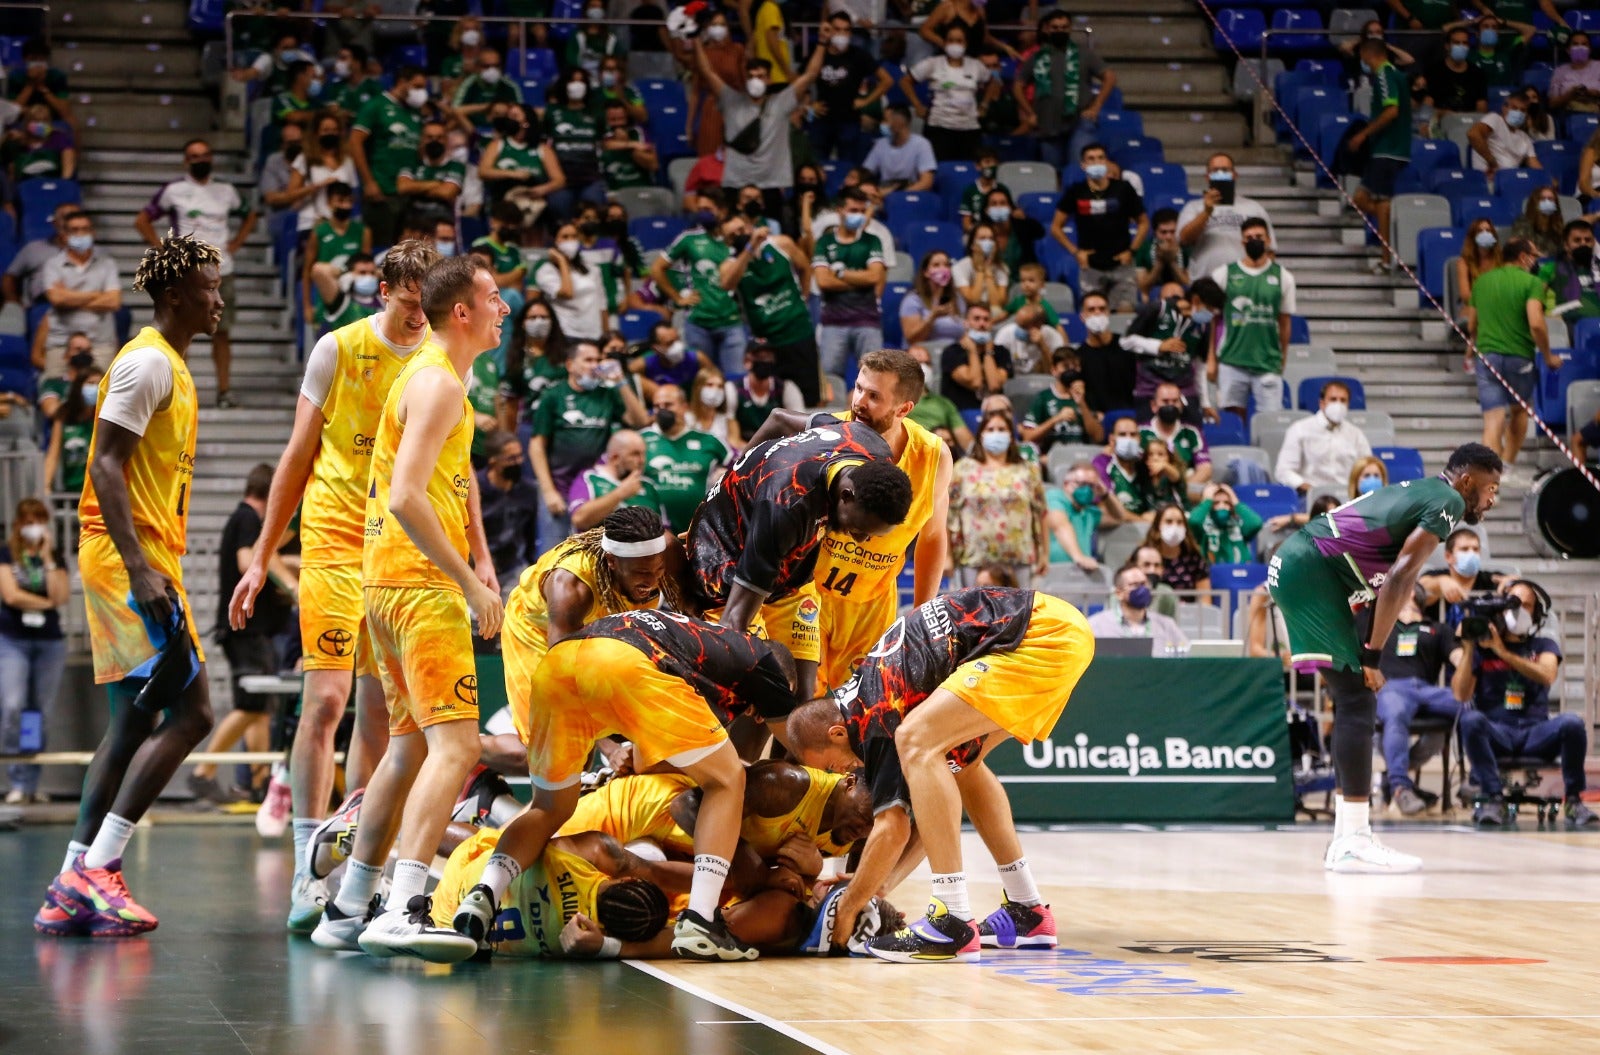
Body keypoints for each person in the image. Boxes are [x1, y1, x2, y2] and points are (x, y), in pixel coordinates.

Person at [228, 240, 445, 931]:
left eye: (428, 305)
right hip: (330, 539)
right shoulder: (337, 350)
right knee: (325, 699)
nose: (419, 316)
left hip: (398, 548)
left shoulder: (439, 360)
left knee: (381, 716)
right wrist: (263, 556)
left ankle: (357, 866)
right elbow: (297, 455)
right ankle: (303, 864)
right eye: (410, 302)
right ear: (383, 289)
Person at [308, 256, 508, 962]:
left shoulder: (426, 376)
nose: (504, 308)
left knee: (407, 745)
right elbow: (404, 496)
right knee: (460, 745)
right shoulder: (437, 384)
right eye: (493, 298)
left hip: (386, 583)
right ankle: (406, 904)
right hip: (421, 585)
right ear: (463, 312)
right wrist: (473, 581)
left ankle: (349, 901)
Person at [33, 233, 223, 938]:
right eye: (209, 287)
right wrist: (141, 567)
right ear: (175, 295)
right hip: (126, 558)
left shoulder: (167, 362)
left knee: (135, 720)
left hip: (138, 555)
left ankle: (69, 880)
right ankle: (97, 867)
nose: (220, 298)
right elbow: (105, 464)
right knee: (195, 712)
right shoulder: (146, 363)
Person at [452, 608, 800, 961]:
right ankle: (701, 921)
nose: (759, 718)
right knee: (728, 781)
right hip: (622, 659)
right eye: (775, 701)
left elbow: (648, 758)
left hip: (559, 664)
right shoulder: (762, 661)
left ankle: (484, 895)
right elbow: (803, 749)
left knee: (548, 808)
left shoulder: (705, 654)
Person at [783, 586, 1095, 961]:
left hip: (1035, 635)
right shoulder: (866, 694)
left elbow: (894, 830)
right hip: (1054, 626)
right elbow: (929, 821)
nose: (845, 771)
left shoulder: (875, 719)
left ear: (836, 733)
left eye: (834, 765)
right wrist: (878, 886)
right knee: (959, 766)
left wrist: (850, 906)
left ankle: (952, 921)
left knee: (915, 740)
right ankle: (1026, 908)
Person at [1266, 442, 1503, 873]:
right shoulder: (1447, 500)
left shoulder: (1422, 493)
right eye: (1491, 488)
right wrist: (1373, 656)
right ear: (1467, 481)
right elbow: (1399, 579)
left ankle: (1345, 838)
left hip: (1310, 568)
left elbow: (1381, 582)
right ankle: (1354, 838)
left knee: (1353, 697)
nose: (1492, 500)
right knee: (1358, 697)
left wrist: (1368, 650)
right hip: (1310, 568)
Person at [747, 350, 952, 694]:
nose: (859, 402)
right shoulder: (825, 436)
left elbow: (932, 536)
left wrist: (920, 613)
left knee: (857, 714)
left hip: (871, 604)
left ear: (904, 409)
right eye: (858, 389)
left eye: (874, 396)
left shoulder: (933, 455)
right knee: (799, 705)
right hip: (807, 593)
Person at [684, 416, 913, 702]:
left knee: (805, 695)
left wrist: (736, 474)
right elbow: (733, 622)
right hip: (725, 561)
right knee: (758, 689)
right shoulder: (787, 506)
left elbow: (779, 418)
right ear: (845, 495)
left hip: (789, 568)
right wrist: (733, 486)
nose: (860, 540)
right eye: (858, 530)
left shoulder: (869, 444)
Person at [1454, 578, 1597, 828]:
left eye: (1526, 606)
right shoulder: (1482, 649)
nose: (1518, 611)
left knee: (1572, 723)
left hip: (1536, 733)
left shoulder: (1544, 645)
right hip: (1497, 731)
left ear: (1537, 613)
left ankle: (1574, 800)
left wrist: (1503, 652)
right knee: (1471, 719)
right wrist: (1468, 649)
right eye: (1513, 604)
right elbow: (1461, 694)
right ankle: (1493, 798)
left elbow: (1547, 674)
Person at [192, 463, 293, 805]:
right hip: (244, 629)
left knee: (261, 708)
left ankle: (257, 782)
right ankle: (203, 772)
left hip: (254, 628)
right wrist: (293, 581)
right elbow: (247, 561)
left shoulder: (242, 518)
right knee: (251, 705)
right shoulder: (248, 519)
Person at [136, 139, 257, 409]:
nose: (200, 159)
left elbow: (251, 214)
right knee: (180, 333)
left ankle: (224, 392)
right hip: (186, 276)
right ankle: (179, 391)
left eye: (205, 155)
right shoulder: (174, 190)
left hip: (222, 270)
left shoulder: (226, 190)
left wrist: (236, 244)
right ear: (186, 161)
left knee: (222, 334)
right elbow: (142, 219)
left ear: (211, 158)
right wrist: (165, 250)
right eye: (194, 156)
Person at [529, 338, 651, 554]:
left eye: (598, 359)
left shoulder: (607, 394)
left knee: (591, 554)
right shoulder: (553, 396)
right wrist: (548, 491)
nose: (595, 365)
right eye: (588, 360)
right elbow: (537, 445)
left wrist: (620, 381)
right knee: (552, 554)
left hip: (594, 487)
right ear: (570, 365)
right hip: (559, 485)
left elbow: (641, 420)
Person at [696, 42, 825, 221]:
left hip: (771, 184)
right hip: (736, 182)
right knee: (733, 230)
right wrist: (696, 41)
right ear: (745, 80)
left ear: (769, 79)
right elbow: (707, 72)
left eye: (761, 76)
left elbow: (810, 74)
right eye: (751, 76)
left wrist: (821, 43)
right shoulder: (730, 100)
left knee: (771, 233)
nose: (756, 80)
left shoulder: (782, 102)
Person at [1367, 586, 1464, 817]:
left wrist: (1468, 648)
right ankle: (1401, 788)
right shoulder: (1379, 625)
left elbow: (1458, 658)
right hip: (1392, 687)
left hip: (1428, 690)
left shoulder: (1437, 629)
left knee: (1468, 706)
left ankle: (1480, 784)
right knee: (1396, 714)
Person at [1468, 238, 1560, 474]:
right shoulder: (1532, 282)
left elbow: (1471, 325)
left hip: (1487, 357)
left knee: (1493, 419)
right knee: (1519, 411)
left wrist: (1471, 351)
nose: (1537, 260)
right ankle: (1506, 467)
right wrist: (1549, 357)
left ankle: (1488, 480)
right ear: (1522, 257)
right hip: (1519, 358)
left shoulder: (1482, 281)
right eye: (1535, 255)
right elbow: (1537, 324)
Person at [0, 498, 68, 805]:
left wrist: (48, 559)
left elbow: (61, 594)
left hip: (49, 642)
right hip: (13, 640)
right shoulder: (6, 554)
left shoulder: (54, 556)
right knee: (13, 707)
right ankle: (15, 779)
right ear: (18, 524)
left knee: (37, 713)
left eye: (39, 520)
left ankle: (30, 783)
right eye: (28, 520)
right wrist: (46, 603)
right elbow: (12, 596)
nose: (33, 526)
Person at [718, 212, 820, 406]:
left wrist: (803, 298)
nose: (739, 234)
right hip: (767, 345)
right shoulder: (730, 264)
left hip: (798, 333)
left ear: (750, 226)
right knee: (774, 404)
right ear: (727, 241)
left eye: (741, 229)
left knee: (809, 401)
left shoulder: (781, 244)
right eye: (733, 235)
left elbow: (806, 267)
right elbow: (727, 284)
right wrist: (750, 247)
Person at [948, 410, 1048, 587]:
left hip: (1020, 558)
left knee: (1018, 613)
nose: (996, 434)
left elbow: (1041, 513)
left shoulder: (1027, 470)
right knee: (973, 612)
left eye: (1002, 429)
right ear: (981, 435)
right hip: (973, 558)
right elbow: (948, 515)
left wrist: (1045, 555)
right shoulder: (962, 469)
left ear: (1011, 436)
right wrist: (947, 556)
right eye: (991, 429)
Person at [1209, 218, 1294, 424]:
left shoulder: (1283, 277)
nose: (1254, 241)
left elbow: (1284, 322)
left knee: (1270, 422)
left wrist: (1282, 359)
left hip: (1267, 362)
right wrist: (1211, 358)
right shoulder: (1224, 274)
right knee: (1231, 418)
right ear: (1242, 242)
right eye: (1249, 238)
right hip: (1232, 359)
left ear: (1268, 240)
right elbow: (1213, 320)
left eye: (1259, 237)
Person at [1052, 144, 1147, 312]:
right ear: (1083, 164)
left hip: (1121, 264)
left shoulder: (1123, 189)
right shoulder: (1076, 191)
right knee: (1094, 314)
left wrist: (1132, 251)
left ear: (1106, 162)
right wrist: (1075, 252)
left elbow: (1143, 223)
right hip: (1091, 266)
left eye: (1100, 158)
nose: (1097, 162)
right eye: (1091, 159)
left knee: (1125, 313)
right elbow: (1056, 228)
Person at [1348, 38, 1413, 274]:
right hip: (1390, 148)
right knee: (1363, 199)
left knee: (1372, 201)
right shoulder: (1396, 74)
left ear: (1367, 54)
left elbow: (1392, 111)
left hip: (1388, 148)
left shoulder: (1385, 75)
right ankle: (1392, 233)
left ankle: (1387, 258)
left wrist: (1363, 134)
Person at [1018, 11, 1113, 170]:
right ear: (1047, 29)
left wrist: (1096, 106)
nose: (1060, 31)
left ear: (1070, 29)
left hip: (1080, 121)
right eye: (1055, 27)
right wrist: (1029, 113)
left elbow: (1109, 77)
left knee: (1079, 167)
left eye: (1064, 27)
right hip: (1047, 123)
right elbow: (1018, 85)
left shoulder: (1084, 54)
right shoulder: (1036, 57)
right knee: (1053, 171)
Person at [348, 66, 429, 247]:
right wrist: (368, 182)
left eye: (424, 87)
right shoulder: (375, 106)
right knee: (382, 250)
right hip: (382, 189)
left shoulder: (414, 113)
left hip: (407, 192)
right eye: (417, 86)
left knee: (405, 251)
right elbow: (354, 142)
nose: (421, 92)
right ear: (402, 82)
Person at [813, 187, 887, 380]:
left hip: (867, 320)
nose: (859, 216)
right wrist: (859, 280)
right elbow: (822, 281)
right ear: (840, 210)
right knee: (830, 377)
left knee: (875, 376)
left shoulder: (872, 241)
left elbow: (874, 277)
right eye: (854, 210)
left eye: (862, 211)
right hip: (833, 322)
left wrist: (839, 272)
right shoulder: (824, 242)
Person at [1121, 278, 1224, 416]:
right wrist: (1158, 346)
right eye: (1210, 309)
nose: (1211, 315)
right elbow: (1125, 341)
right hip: (1150, 388)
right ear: (1196, 300)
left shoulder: (1203, 326)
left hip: (1184, 391)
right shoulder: (1158, 309)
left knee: (1192, 432)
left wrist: (1205, 403)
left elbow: (1200, 367)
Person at [34, 211, 119, 374]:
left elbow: (113, 301)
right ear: (64, 235)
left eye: (85, 229)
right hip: (60, 342)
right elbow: (56, 299)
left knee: (103, 397)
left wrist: (69, 296)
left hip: (100, 344)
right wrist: (96, 295)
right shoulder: (53, 265)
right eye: (75, 230)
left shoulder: (107, 264)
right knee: (57, 393)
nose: (81, 234)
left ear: (92, 233)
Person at [643, 384, 730, 534]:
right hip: (651, 532)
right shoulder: (640, 440)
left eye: (668, 404)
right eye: (657, 406)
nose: (662, 410)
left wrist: (724, 475)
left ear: (684, 407)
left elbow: (739, 466)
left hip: (699, 528)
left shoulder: (709, 441)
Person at [1177, 153, 1276, 282]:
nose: (1220, 174)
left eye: (1225, 170)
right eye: (1215, 170)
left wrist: (1262, 279)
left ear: (1235, 175)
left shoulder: (1254, 208)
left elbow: (1270, 249)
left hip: (1245, 280)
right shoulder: (1193, 207)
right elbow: (1184, 239)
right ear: (1207, 177)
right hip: (1206, 281)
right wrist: (1206, 212)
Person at [812, 11, 890, 164]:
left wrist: (866, 101)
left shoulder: (859, 55)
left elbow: (887, 80)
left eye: (846, 30)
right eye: (837, 29)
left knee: (847, 167)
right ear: (829, 29)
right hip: (822, 120)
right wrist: (808, 105)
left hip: (849, 121)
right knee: (817, 166)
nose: (842, 33)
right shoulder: (820, 52)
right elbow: (801, 78)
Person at [903, 25, 985, 162]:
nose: (955, 44)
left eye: (959, 41)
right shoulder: (933, 63)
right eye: (951, 40)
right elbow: (905, 82)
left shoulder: (976, 65)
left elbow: (993, 82)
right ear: (945, 42)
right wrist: (917, 105)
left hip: (969, 128)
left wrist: (985, 105)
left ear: (966, 43)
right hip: (939, 127)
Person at [1275, 381, 1372, 496]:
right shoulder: (1299, 429)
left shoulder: (1356, 434)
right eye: (1333, 399)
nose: (1338, 404)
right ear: (1322, 403)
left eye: (1343, 400)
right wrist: (1308, 488)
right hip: (1310, 496)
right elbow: (1283, 471)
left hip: (1347, 496)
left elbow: (1368, 469)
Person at [477, 429, 540, 590]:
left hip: (513, 567)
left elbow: (530, 532)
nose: (518, 462)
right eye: (511, 458)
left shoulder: (527, 490)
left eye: (520, 456)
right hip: (479, 568)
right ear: (493, 461)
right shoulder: (476, 489)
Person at [568, 429, 663, 532]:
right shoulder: (590, 478)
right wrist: (620, 494)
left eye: (643, 454)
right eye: (635, 454)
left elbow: (664, 530)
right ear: (615, 458)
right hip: (599, 546)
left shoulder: (648, 486)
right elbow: (579, 520)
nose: (642, 460)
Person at [1087, 565, 1188, 652]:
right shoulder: (1096, 625)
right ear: (1119, 593)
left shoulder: (1166, 624)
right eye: (1134, 585)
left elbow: (1187, 653)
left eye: (1144, 584)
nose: (1142, 589)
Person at [535, 222, 608, 342]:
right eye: (565, 237)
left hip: (594, 335)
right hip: (565, 335)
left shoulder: (592, 269)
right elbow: (567, 293)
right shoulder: (546, 271)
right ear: (555, 241)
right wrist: (562, 262)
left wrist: (606, 334)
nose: (571, 241)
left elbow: (602, 304)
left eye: (574, 237)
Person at [1021, 348, 1103, 454]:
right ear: (1054, 370)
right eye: (1066, 366)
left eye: (1075, 366)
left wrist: (1082, 403)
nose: (1071, 370)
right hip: (1051, 456)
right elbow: (1027, 437)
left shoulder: (1087, 396)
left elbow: (1098, 437)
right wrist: (1056, 419)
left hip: (1081, 455)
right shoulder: (1043, 398)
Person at [42, 348, 99, 496]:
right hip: (72, 490)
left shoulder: (105, 417)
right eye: (91, 383)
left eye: (99, 384)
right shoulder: (64, 416)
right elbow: (53, 454)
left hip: (98, 492)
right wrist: (46, 485)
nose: (95, 388)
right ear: (79, 386)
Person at [1418, 525, 1507, 618]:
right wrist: (1440, 582)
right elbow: (1420, 587)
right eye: (1464, 549)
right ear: (1448, 556)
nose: (1471, 554)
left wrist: (1513, 584)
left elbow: (1513, 582)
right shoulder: (1436, 576)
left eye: (1475, 549)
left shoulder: (1489, 579)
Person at [727, 340, 806, 440]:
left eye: (769, 357)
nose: (765, 361)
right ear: (747, 361)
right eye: (760, 357)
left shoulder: (787, 388)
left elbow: (800, 428)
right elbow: (732, 438)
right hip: (744, 448)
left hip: (777, 448)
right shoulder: (733, 389)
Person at [1075, 291, 1136, 414]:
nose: (1097, 313)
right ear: (1082, 316)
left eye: (1102, 309)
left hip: (1128, 415)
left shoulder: (1127, 345)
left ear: (1108, 313)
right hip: (1098, 419)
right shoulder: (1079, 355)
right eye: (1091, 310)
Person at [1142, 381, 1211, 485]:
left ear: (1181, 405)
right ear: (1154, 405)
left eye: (1175, 401)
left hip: (1186, 486)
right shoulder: (1141, 433)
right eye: (1165, 401)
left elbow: (1205, 469)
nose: (1171, 405)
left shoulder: (1192, 432)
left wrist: (1182, 489)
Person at [1418, 24, 1488, 123]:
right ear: (1447, 46)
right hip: (1441, 121)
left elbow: (1481, 107)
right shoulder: (1433, 71)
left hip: (1470, 122)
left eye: (1465, 43)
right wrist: (1444, 114)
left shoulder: (1477, 73)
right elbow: (1427, 105)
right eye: (1456, 43)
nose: (1461, 46)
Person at [900, 250, 967, 353]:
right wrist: (932, 317)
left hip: (954, 355)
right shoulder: (913, 300)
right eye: (936, 265)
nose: (943, 269)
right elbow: (912, 339)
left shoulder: (957, 299)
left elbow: (964, 333)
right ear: (926, 272)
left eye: (946, 265)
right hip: (923, 354)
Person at [1094, 416, 1157, 521]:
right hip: (1117, 531)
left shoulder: (1145, 465)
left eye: (1133, 435)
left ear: (1139, 439)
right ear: (1112, 439)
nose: (1128, 439)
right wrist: (1142, 521)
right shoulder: (1102, 463)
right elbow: (1103, 507)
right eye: (1122, 435)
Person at [1467, 91, 1541, 179]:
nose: (1518, 113)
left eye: (1523, 110)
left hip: (1512, 180)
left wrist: (1549, 180)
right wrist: (1492, 162)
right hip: (1488, 179)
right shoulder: (1495, 119)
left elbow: (1534, 164)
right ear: (1504, 108)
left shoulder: (1525, 138)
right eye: (1514, 108)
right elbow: (1473, 134)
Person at [1536, 219, 1600, 318]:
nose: (1583, 244)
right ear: (1566, 245)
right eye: (1577, 240)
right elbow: (1535, 301)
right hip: (1567, 327)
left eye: (1588, 240)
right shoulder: (1550, 268)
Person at [1187, 482, 1261, 565]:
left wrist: (1235, 501)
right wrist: (1207, 500)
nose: (1222, 506)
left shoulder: (1239, 526)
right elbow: (1194, 521)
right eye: (1216, 503)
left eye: (1226, 503)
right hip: (1211, 575)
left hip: (1239, 574)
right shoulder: (1202, 528)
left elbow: (1256, 523)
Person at [1144, 502, 1209, 595]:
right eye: (1169, 521)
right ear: (1158, 525)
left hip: (1189, 609)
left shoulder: (1195, 558)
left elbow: (1205, 600)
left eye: (1179, 522)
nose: (1174, 527)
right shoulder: (1144, 556)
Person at [1456, 218, 1501, 332]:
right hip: (1472, 306)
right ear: (1473, 236)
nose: (1485, 233)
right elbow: (1465, 295)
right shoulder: (1463, 262)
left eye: (1488, 230)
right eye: (1480, 231)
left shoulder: (1502, 259)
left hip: (1498, 306)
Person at [1134, 209, 1191, 297]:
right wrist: (1159, 262)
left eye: (1173, 232)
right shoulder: (1144, 248)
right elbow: (1142, 287)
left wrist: (1172, 262)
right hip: (1153, 294)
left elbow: (1188, 284)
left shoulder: (1186, 248)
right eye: (1163, 232)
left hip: (1181, 293)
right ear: (1155, 232)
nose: (1168, 237)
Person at [1549, 31, 1600, 116]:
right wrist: (1570, 95)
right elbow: (1552, 103)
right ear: (1568, 50)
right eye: (1575, 44)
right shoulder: (1560, 71)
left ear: (1590, 49)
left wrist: (1595, 94)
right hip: (1569, 114)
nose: (1580, 47)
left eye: (1584, 44)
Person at [1510, 185, 1564, 259]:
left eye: (1550, 199)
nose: (1547, 202)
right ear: (1535, 202)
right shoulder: (1522, 222)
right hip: (1530, 261)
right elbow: (1516, 244)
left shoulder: (1558, 224)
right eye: (1543, 199)